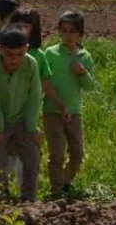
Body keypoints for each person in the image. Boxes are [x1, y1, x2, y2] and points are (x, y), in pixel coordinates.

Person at [40, 11, 97, 198]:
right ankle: (56, 192)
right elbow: (44, 80)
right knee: (56, 153)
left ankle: (64, 182)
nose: (68, 35)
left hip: (74, 112)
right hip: (52, 110)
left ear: (80, 34)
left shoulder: (84, 57)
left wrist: (82, 73)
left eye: (72, 31)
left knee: (78, 155)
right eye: (63, 30)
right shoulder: (51, 53)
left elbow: (90, 87)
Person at [0, 26, 43, 202]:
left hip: (24, 119)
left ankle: (29, 199)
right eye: (9, 54)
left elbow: (34, 97)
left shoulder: (31, 64)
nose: (14, 60)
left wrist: (32, 127)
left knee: (32, 157)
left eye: (19, 54)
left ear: (26, 49)